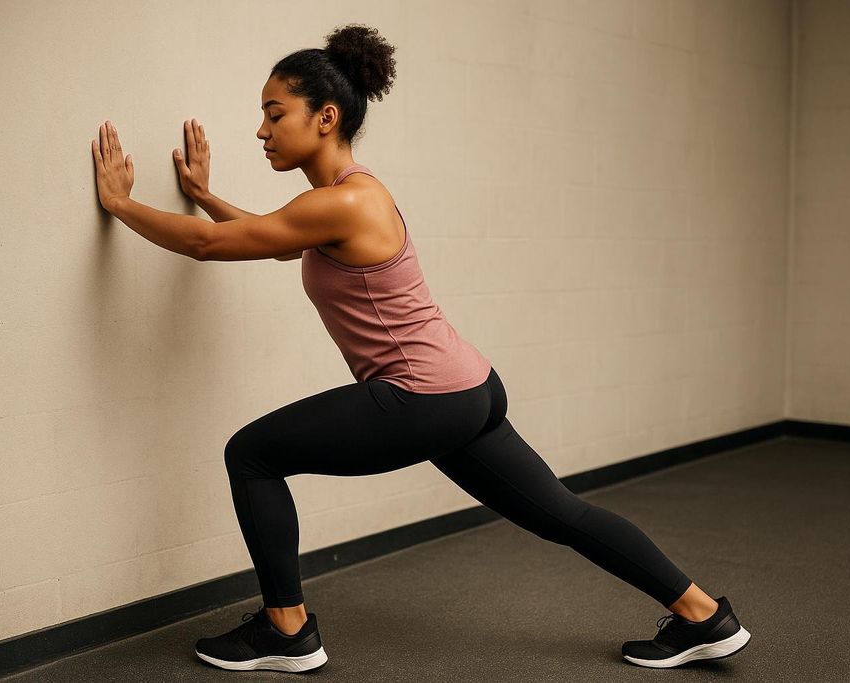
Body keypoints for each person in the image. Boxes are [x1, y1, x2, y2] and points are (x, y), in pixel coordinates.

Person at [166, 24, 751, 674]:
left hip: (421, 397)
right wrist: (203, 196)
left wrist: (118, 202)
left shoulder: (341, 202)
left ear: (325, 117)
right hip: (467, 389)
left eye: (275, 114)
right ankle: (704, 615)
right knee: (562, 512)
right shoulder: (353, 194)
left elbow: (208, 245)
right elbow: (270, 238)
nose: (262, 130)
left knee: (251, 453)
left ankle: (286, 628)